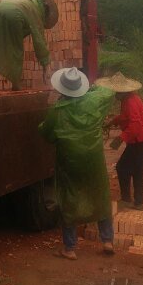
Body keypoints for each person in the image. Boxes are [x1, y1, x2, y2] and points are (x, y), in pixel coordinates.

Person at [39, 67, 115, 260]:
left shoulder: (56, 111)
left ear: (62, 89)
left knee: (69, 198)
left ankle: (70, 248)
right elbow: (108, 90)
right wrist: (92, 89)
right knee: (100, 194)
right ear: (81, 86)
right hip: (93, 159)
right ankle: (107, 240)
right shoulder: (94, 101)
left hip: (69, 160)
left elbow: (45, 133)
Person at [96, 71, 143, 211]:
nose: (115, 95)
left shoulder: (130, 102)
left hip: (140, 142)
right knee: (137, 171)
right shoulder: (128, 99)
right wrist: (112, 122)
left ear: (123, 91)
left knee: (122, 167)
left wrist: (120, 138)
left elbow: (135, 125)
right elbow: (125, 117)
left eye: (117, 92)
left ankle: (127, 200)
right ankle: (139, 202)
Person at [0, 0, 58, 91]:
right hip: (13, 17)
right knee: (16, 51)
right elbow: (39, 42)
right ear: (44, 12)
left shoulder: (21, 1)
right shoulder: (35, 12)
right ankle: (15, 85)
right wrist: (46, 66)